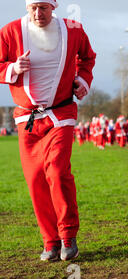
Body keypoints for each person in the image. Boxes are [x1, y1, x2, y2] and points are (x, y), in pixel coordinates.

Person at [0, 0, 96, 261]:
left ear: (54, 7)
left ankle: (67, 236)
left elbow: (87, 57)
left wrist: (83, 80)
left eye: (43, 7)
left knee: (56, 169)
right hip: (27, 118)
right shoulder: (10, 32)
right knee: (35, 181)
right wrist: (12, 69)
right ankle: (50, 242)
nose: (37, 13)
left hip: (60, 112)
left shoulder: (73, 29)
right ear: (26, 7)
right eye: (33, 7)